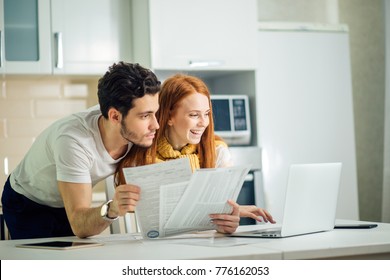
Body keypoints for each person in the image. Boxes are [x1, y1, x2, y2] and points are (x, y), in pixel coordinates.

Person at [1, 62, 161, 239]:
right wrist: (112, 208)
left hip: (68, 203)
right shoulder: (74, 141)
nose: (156, 125)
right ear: (115, 116)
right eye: (145, 116)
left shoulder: (135, 129)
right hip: (29, 202)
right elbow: (80, 225)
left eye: (155, 113)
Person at [117, 74, 275, 229]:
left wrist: (227, 222)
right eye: (194, 115)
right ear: (169, 116)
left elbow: (221, 211)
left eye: (206, 114)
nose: (203, 123)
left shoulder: (217, 151)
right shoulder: (140, 156)